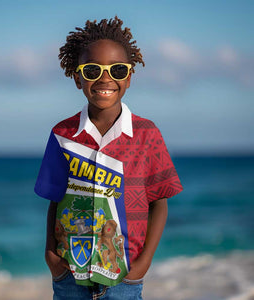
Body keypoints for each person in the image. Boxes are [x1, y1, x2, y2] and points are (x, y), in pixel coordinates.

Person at [34, 16, 183, 300]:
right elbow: (55, 198)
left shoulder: (146, 134)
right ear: (77, 78)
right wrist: (51, 256)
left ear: (128, 77)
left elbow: (160, 204)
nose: (105, 79)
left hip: (125, 280)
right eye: (92, 70)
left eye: (116, 70)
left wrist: (143, 264)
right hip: (69, 278)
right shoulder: (62, 134)